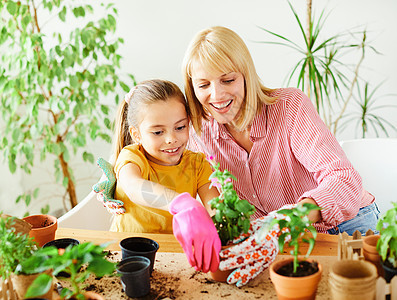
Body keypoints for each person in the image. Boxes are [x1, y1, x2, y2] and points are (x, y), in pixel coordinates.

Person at [182, 26, 379, 236]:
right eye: (203, 85)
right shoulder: (197, 133)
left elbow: (344, 179)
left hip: (344, 224)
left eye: (228, 80)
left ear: (246, 75)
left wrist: (289, 218)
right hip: (277, 240)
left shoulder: (289, 107)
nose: (217, 94)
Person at [95, 79, 221, 272]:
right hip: (124, 257)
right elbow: (134, 187)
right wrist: (183, 203)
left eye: (180, 127)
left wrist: (215, 225)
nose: (171, 139)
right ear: (136, 135)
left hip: (174, 258)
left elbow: (217, 211)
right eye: (158, 132)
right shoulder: (132, 157)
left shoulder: (197, 164)